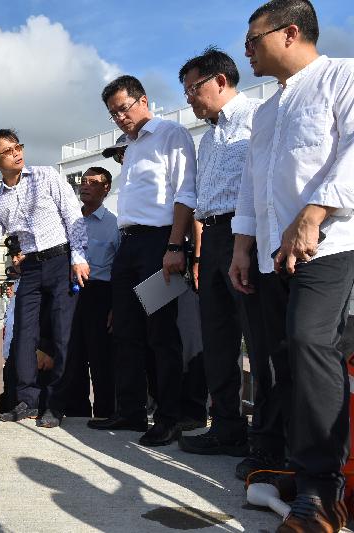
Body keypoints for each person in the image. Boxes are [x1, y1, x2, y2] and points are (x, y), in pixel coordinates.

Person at [229, 1, 354, 530]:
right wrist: (241, 245)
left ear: (291, 32)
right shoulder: (265, 111)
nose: (248, 52)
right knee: (278, 358)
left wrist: (317, 209)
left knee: (311, 344)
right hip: (268, 256)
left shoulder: (342, 76)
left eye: (253, 40)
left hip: (330, 243)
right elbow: (253, 183)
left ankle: (324, 492)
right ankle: (296, 468)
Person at [0, 129, 89, 428]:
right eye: (7, 151)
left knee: (63, 336)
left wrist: (79, 256)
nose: (17, 153)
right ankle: (26, 401)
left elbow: (72, 213)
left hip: (61, 259)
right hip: (32, 266)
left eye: (18, 146)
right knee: (23, 335)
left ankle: (55, 404)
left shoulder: (46, 176)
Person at [174, 47, 278, 467]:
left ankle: (267, 438)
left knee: (258, 338)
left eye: (193, 88)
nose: (190, 99)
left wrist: (247, 241)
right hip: (213, 238)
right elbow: (200, 198)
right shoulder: (209, 137)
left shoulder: (258, 117)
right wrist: (197, 252)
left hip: (247, 235)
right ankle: (227, 427)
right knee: (218, 340)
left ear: (221, 80)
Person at [87, 75, 197, 448]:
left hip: (159, 243)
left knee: (161, 334)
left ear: (142, 100)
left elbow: (185, 193)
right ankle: (130, 410)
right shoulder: (129, 148)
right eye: (113, 113)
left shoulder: (170, 134)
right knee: (127, 332)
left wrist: (175, 246)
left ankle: (168, 418)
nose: (119, 117)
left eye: (123, 108)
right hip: (128, 245)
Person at [64, 167, 119, 418]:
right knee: (72, 355)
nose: (85, 186)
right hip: (72, 292)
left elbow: (121, 269)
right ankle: (76, 412)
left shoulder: (114, 225)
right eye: (83, 182)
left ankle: (106, 413)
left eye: (93, 183)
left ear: (106, 188)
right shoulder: (70, 220)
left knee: (102, 358)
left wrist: (115, 307)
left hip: (101, 293)